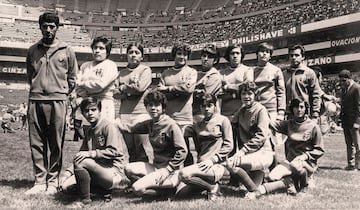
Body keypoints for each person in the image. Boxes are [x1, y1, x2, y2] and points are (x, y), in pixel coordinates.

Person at [25, 12, 78, 195]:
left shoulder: (67, 50)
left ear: (57, 27)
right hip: (36, 100)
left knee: (56, 142)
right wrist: (38, 89)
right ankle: (39, 181)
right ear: (40, 27)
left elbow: (72, 78)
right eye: (45, 26)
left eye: (52, 26)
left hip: (58, 101)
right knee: (37, 142)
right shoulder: (32, 50)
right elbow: (30, 75)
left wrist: (60, 93)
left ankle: (53, 180)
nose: (48, 30)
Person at [116, 91, 188, 198]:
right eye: (150, 105)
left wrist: (168, 169)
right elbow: (131, 129)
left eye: (157, 105)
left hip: (171, 171)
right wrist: (117, 123)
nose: (153, 108)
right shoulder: (150, 123)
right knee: (128, 168)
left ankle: (167, 191)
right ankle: (157, 187)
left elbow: (183, 151)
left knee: (137, 188)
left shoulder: (171, 125)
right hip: (156, 167)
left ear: (163, 107)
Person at [62, 97, 129, 208]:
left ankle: (85, 201)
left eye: (93, 110)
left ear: (99, 111)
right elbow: (80, 156)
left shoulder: (108, 126)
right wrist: (67, 173)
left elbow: (114, 151)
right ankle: (102, 192)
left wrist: (91, 153)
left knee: (83, 163)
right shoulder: (89, 130)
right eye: (86, 111)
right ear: (83, 114)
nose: (90, 113)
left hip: (112, 172)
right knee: (66, 187)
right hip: (96, 170)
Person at [254, 98, 324, 198]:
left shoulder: (313, 127)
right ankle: (290, 182)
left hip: (307, 163)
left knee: (296, 165)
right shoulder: (289, 124)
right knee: (271, 177)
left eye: (301, 107)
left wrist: (305, 156)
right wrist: (261, 110)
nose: (299, 110)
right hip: (290, 162)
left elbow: (320, 150)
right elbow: (272, 124)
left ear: (306, 109)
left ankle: (304, 185)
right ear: (292, 109)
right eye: (296, 107)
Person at [177, 94, 233, 201]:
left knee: (183, 174)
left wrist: (213, 160)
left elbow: (229, 145)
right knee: (180, 194)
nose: (206, 108)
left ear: (215, 105)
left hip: (216, 165)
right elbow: (182, 133)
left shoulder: (223, 120)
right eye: (203, 106)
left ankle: (213, 187)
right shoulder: (198, 125)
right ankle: (207, 187)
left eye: (209, 105)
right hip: (201, 165)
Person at [225, 81, 274, 199]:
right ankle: (257, 188)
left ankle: (256, 189)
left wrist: (242, 151)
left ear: (255, 95)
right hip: (251, 154)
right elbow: (231, 124)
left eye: (249, 94)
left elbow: (261, 136)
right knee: (251, 187)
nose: (246, 97)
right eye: (243, 94)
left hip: (263, 153)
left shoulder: (261, 110)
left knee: (231, 164)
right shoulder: (242, 110)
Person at [157, 43, 197, 166]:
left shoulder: (191, 72)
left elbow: (188, 90)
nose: (182, 57)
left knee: (184, 149)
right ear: (174, 55)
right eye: (179, 54)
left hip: (184, 118)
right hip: (168, 117)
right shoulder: (166, 73)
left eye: (185, 55)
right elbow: (160, 94)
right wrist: (178, 91)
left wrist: (168, 89)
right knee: (169, 150)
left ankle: (189, 177)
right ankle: (171, 178)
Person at [116, 43, 153, 163]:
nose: (133, 55)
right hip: (125, 113)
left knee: (141, 148)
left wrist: (123, 88)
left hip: (140, 112)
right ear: (127, 55)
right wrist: (130, 91)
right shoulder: (121, 73)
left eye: (137, 53)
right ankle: (133, 178)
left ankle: (145, 177)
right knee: (130, 149)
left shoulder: (145, 70)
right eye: (131, 52)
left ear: (141, 57)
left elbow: (140, 88)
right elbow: (114, 93)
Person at [219, 44, 253, 156]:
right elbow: (219, 93)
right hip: (226, 114)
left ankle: (246, 172)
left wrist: (228, 87)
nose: (235, 56)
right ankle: (231, 173)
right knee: (229, 147)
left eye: (237, 53)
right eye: (232, 53)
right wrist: (237, 89)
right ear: (228, 56)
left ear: (241, 55)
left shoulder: (247, 70)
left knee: (245, 146)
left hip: (243, 113)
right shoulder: (221, 73)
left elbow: (247, 87)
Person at [76, 36, 118, 121]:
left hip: (104, 103)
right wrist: (87, 92)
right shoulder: (85, 66)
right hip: (87, 103)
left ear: (107, 52)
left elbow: (100, 85)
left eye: (101, 48)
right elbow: (77, 86)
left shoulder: (110, 65)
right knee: (87, 132)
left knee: (104, 131)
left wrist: (83, 84)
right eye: (95, 47)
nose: (97, 51)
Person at [283, 45, 322, 120]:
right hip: (289, 114)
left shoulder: (309, 73)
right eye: (291, 55)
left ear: (303, 57)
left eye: (297, 55)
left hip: (304, 113)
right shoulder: (284, 74)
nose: (293, 57)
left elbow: (316, 94)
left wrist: (315, 113)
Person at [193, 44, 222, 122]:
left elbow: (205, 96)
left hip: (209, 116)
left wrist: (189, 90)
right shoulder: (196, 74)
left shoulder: (215, 75)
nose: (205, 59)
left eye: (209, 57)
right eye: (204, 56)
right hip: (194, 115)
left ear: (215, 60)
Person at [338, 70, 360, 170]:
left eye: (344, 80)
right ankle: (350, 164)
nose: (342, 83)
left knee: (357, 144)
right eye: (341, 81)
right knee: (348, 144)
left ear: (349, 79)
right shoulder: (344, 89)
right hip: (346, 121)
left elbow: (359, 106)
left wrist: (357, 122)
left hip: (354, 122)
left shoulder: (357, 88)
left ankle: (358, 165)